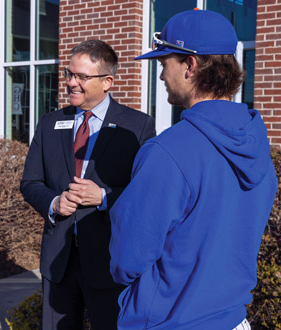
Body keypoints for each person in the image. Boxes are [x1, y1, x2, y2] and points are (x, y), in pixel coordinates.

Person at [109, 10, 277, 330]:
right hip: (232, 319)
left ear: (190, 66)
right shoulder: (257, 146)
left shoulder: (167, 151)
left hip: (170, 320)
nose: (160, 76)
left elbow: (127, 259)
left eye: (163, 63)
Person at [20, 39, 155, 329]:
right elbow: (30, 182)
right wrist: (54, 203)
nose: (71, 83)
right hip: (59, 261)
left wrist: (104, 197)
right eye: (69, 74)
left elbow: (147, 194)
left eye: (81, 77)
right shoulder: (49, 123)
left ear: (107, 81)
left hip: (109, 262)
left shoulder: (137, 126)